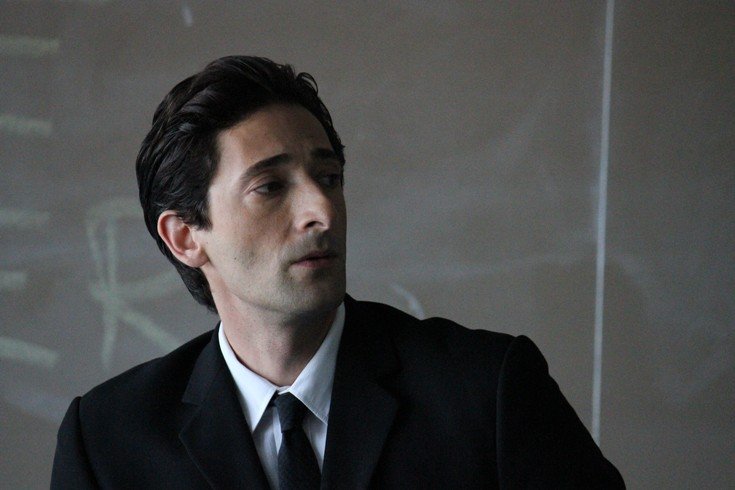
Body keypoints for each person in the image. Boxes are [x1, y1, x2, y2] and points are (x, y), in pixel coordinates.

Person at [51, 56, 625, 489]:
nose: (321, 212)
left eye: (328, 178)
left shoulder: (487, 392)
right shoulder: (106, 440)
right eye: (270, 187)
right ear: (185, 237)